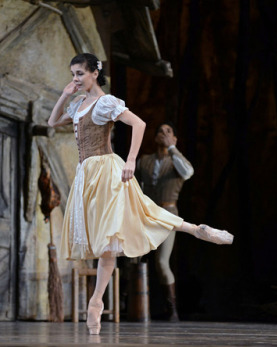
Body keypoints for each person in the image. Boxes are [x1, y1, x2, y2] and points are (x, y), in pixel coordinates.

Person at [47, 53, 233, 335]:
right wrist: (64, 94)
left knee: (117, 232)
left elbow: (139, 124)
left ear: (95, 73)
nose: (75, 79)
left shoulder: (105, 102)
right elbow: (52, 122)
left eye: (80, 74)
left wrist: (132, 160)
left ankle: (96, 302)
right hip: (86, 174)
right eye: (73, 74)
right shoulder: (78, 103)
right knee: (110, 235)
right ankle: (195, 229)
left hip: (107, 171)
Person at [137, 122, 193, 321]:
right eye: (160, 131)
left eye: (169, 131)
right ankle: (136, 306)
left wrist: (172, 148)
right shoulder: (144, 161)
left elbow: (187, 172)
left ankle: (172, 310)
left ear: (175, 139)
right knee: (135, 259)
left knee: (161, 262)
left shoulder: (176, 161)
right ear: (154, 138)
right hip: (146, 214)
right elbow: (137, 188)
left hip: (168, 214)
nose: (164, 133)